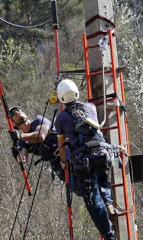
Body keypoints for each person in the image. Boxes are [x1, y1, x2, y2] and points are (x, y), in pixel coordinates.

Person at [54, 79, 118, 240]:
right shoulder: (90, 107)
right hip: (102, 153)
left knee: (93, 201)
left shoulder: (61, 117)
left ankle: (109, 236)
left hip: (83, 161)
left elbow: (61, 145)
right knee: (102, 177)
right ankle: (109, 202)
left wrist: (63, 162)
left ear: (61, 98)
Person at [8, 106, 64, 181]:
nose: (16, 112)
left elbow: (41, 136)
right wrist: (16, 154)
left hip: (66, 152)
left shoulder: (39, 120)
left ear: (25, 114)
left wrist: (20, 136)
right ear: (13, 124)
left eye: (18, 110)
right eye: (12, 114)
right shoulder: (22, 141)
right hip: (57, 164)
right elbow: (22, 160)